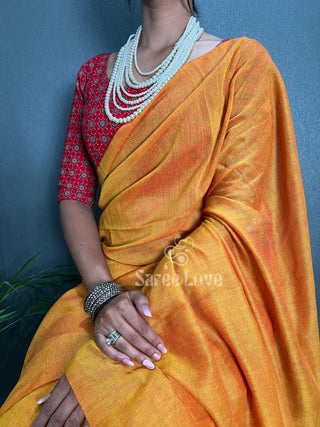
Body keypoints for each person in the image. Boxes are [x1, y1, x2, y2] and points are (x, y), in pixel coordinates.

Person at [1, 0, 320, 425]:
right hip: (101, 295)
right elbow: (73, 195)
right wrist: (104, 298)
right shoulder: (94, 78)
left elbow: (237, 219)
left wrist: (124, 340)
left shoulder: (240, 66)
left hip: (197, 309)